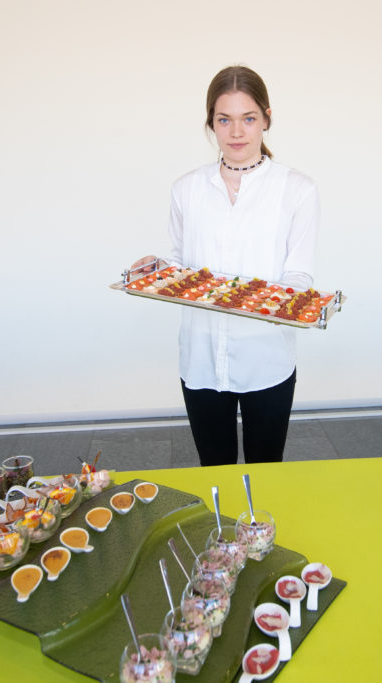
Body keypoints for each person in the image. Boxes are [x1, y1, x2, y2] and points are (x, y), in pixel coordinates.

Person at [131, 65, 319, 467]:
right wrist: (157, 269)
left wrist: (276, 302)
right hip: (200, 358)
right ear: (211, 124)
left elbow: (299, 274)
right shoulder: (186, 188)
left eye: (248, 118)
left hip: (266, 360)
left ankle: (260, 534)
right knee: (213, 468)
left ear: (267, 118)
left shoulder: (297, 189)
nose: (237, 132)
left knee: (266, 470)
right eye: (225, 119)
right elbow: (182, 264)